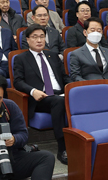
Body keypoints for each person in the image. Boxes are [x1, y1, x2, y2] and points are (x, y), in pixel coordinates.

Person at [13, 24, 70, 164]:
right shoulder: (21, 58)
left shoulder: (53, 56)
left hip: (60, 94)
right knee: (58, 101)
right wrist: (33, 91)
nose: (39, 40)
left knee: (77, 98)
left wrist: (73, 88)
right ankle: (62, 148)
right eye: (35, 37)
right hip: (41, 97)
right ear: (27, 40)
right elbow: (18, 82)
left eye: (42, 37)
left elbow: (65, 77)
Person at [68, 18, 108, 106]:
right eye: (92, 30)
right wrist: (90, 86)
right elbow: (75, 76)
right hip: (91, 91)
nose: (96, 33)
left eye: (99, 30)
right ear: (85, 32)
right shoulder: (76, 54)